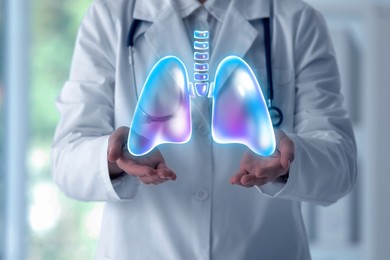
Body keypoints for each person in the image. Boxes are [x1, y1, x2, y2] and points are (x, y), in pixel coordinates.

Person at [51, 0, 357, 259]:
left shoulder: (296, 20)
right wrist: (112, 156)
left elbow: (339, 167)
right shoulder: (110, 16)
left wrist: (289, 160)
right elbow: (67, 160)